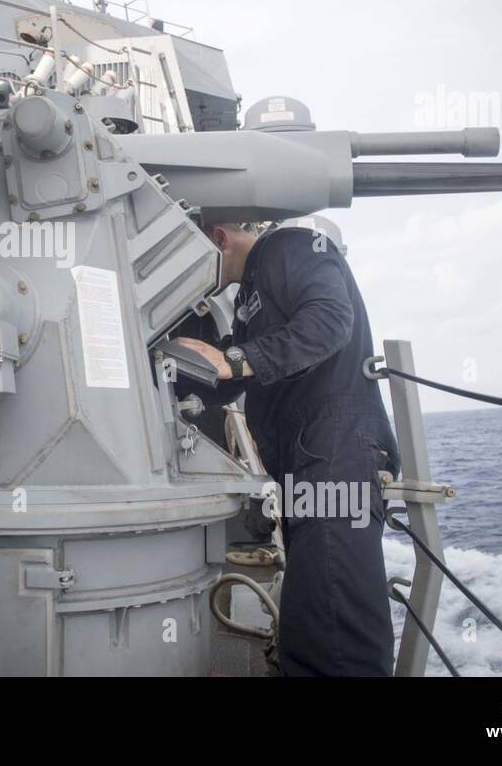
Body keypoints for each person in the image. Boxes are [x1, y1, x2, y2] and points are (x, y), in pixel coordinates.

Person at [175, 220, 400, 676]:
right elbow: (228, 376)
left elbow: (329, 320)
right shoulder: (247, 299)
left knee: (337, 622)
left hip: (335, 450)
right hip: (306, 458)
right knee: (311, 611)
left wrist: (235, 358)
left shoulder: (289, 246)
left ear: (217, 239)